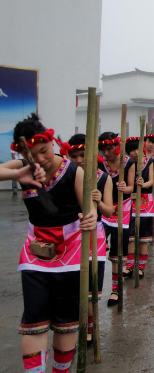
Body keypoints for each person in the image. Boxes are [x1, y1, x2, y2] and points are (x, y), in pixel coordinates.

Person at [0, 114, 97, 372]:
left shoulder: (74, 172)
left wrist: (91, 216)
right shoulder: (23, 168)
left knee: (66, 322)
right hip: (35, 254)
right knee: (34, 320)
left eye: (44, 151)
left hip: (71, 254)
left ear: (52, 142)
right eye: (32, 155)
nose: (40, 159)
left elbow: (90, 208)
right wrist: (18, 173)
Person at [62, 133, 113, 345]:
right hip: (68, 236)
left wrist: (99, 202)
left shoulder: (104, 178)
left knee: (91, 289)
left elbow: (109, 211)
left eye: (83, 155)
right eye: (74, 156)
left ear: (92, 154)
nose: (79, 160)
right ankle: (72, 329)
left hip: (94, 237)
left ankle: (89, 330)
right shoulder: (64, 176)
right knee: (70, 289)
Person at [98, 132, 135, 307]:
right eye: (103, 149)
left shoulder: (129, 163)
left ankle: (115, 290)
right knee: (96, 244)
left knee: (117, 252)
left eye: (109, 148)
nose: (106, 152)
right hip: (104, 208)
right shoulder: (99, 163)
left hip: (122, 208)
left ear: (117, 146)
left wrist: (124, 187)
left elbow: (131, 187)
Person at [125, 137, 154, 279]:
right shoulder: (127, 164)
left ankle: (141, 267)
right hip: (130, 202)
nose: (136, 152)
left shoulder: (150, 162)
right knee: (130, 236)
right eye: (132, 150)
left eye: (137, 149)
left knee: (144, 236)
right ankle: (129, 265)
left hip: (146, 202)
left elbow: (152, 181)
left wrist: (143, 184)